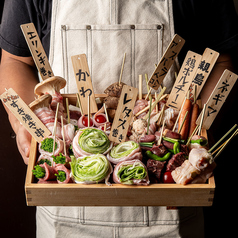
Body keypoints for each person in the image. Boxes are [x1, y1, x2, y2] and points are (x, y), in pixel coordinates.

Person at [0, 0, 238, 237]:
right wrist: (25, 124)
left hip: (171, 211)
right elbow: (16, 60)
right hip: (63, 215)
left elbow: (221, 60)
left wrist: (195, 134)